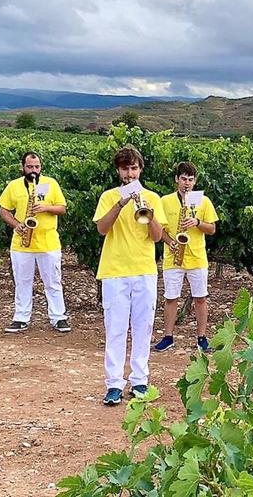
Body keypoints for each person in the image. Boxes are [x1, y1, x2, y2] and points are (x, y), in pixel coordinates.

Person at [93, 145, 167, 406]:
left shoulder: (153, 198)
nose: (130, 173)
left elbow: (157, 237)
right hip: (114, 271)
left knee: (143, 327)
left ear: (140, 169)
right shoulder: (107, 197)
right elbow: (102, 229)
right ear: (118, 170)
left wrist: (147, 209)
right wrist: (121, 202)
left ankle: (139, 380)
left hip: (144, 270)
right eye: (125, 168)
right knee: (115, 328)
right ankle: (114, 384)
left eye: (134, 168)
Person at [0, 152, 70, 334]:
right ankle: (21, 317)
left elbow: (62, 208)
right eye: (30, 167)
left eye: (37, 167)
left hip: (48, 242)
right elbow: (3, 210)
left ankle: (58, 317)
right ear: (23, 167)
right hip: (22, 242)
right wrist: (16, 225)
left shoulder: (50, 183)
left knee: (53, 281)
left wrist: (46, 207)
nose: (34, 170)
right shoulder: (14, 186)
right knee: (22, 281)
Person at [154, 161, 219, 353]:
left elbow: (212, 228)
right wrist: (170, 242)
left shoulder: (204, 201)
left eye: (190, 180)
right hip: (173, 257)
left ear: (195, 181)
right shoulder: (165, 201)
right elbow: (160, 229)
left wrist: (197, 222)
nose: (187, 183)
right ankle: (168, 336)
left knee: (201, 298)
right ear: (176, 179)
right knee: (171, 298)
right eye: (183, 179)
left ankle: (202, 338)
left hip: (197, 257)